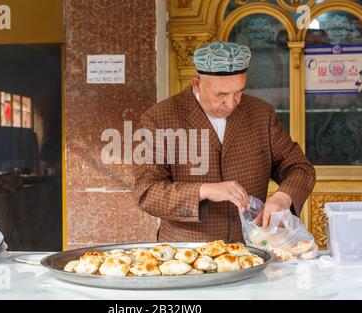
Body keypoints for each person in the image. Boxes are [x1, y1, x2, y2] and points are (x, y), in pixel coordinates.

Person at [134, 41, 316, 242]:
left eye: (238, 92)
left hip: (250, 248)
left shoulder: (261, 114)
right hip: (186, 253)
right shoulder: (158, 118)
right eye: (221, 94)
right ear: (197, 84)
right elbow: (147, 192)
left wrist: (283, 198)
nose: (231, 103)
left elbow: (300, 168)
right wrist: (205, 190)